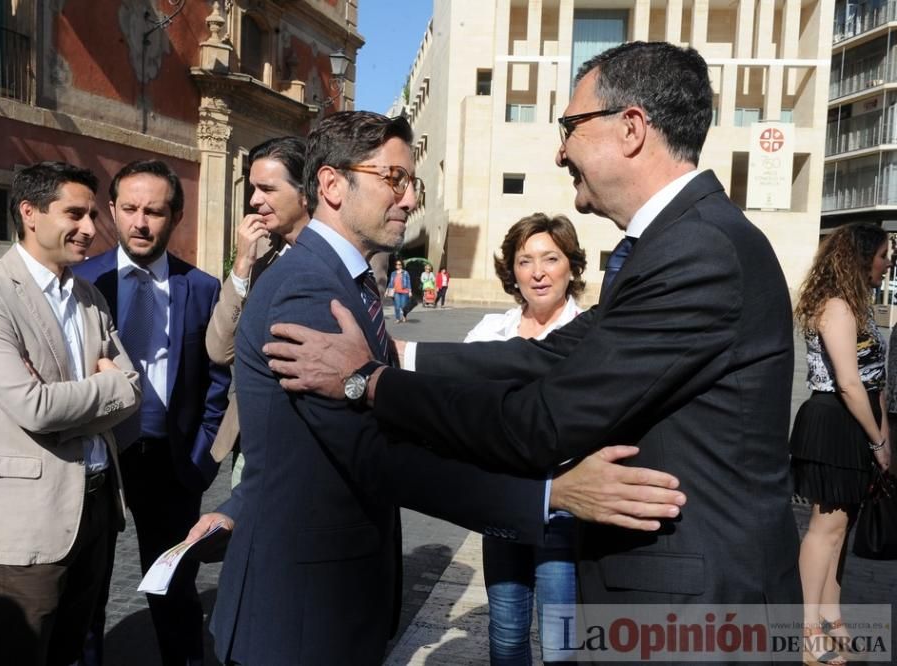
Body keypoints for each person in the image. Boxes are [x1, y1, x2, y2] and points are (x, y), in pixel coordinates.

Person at [265, 41, 803, 636]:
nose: (558, 152)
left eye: (570, 127)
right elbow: (549, 354)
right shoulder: (681, 242)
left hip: (696, 613)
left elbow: (541, 423)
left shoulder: (696, 251)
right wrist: (402, 355)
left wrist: (370, 381)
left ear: (631, 128)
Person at [187, 111, 685, 665]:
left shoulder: (336, 280)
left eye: (412, 183)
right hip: (302, 612)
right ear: (331, 184)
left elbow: (300, 440)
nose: (407, 199)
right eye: (393, 179)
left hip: (325, 598)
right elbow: (376, 454)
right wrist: (551, 496)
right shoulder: (308, 290)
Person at [0, 161, 142, 666]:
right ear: (29, 213)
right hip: (23, 521)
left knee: (73, 652)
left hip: (97, 509)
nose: (90, 229)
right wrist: (107, 386)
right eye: (74, 213)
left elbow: (133, 388)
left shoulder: (89, 296)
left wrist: (91, 393)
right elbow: (34, 408)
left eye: (93, 214)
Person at [73, 159, 231, 666]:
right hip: (96, 461)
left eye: (155, 211)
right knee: (86, 592)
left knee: (174, 589)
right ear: (112, 212)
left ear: (176, 216)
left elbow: (219, 383)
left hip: (171, 464)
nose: (141, 223)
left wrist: (203, 461)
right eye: (131, 209)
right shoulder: (80, 283)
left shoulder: (203, 289)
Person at [469, 213, 585, 664]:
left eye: (550, 258)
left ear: (571, 267)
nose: (538, 272)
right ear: (511, 272)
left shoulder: (590, 335)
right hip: (503, 503)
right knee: (507, 634)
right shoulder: (488, 334)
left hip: (566, 508)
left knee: (560, 646)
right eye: (525, 261)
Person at [791, 223, 892, 665]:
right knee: (824, 529)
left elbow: (876, 383)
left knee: (841, 531)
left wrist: (883, 436)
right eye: (885, 254)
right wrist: (878, 440)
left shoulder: (861, 305)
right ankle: (808, 630)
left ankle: (831, 622)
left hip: (859, 424)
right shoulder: (836, 305)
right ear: (862, 256)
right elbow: (849, 383)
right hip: (835, 422)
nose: (889, 262)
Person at [205, 136, 310, 469]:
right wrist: (241, 266)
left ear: (306, 192)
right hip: (252, 444)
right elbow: (219, 350)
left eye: (268, 189)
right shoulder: (262, 255)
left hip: (306, 442)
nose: (255, 201)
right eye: (253, 188)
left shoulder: (336, 257)